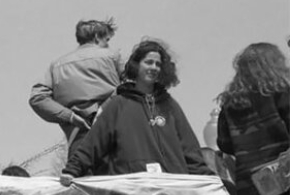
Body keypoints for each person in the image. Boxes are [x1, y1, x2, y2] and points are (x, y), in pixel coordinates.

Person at [61, 39, 212, 183]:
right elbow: (93, 144)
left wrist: (209, 180)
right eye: (148, 62)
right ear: (137, 66)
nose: (153, 67)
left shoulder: (170, 106)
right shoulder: (117, 105)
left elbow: (190, 150)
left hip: (173, 190)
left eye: (158, 64)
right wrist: (72, 170)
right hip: (132, 192)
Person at [217, 42, 289, 195]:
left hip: (251, 185)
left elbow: (224, 143)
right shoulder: (282, 92)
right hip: (284, 176)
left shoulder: (230, 103)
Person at [29, 18, 122, 152]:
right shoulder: (112, 56)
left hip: (78, 138)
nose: (107, 45)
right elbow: (130, 86)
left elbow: (37, 98)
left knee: (77, 171)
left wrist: (70, 116)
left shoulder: (56, 65)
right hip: (115, 132)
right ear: (96, 37)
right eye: (106, 40)